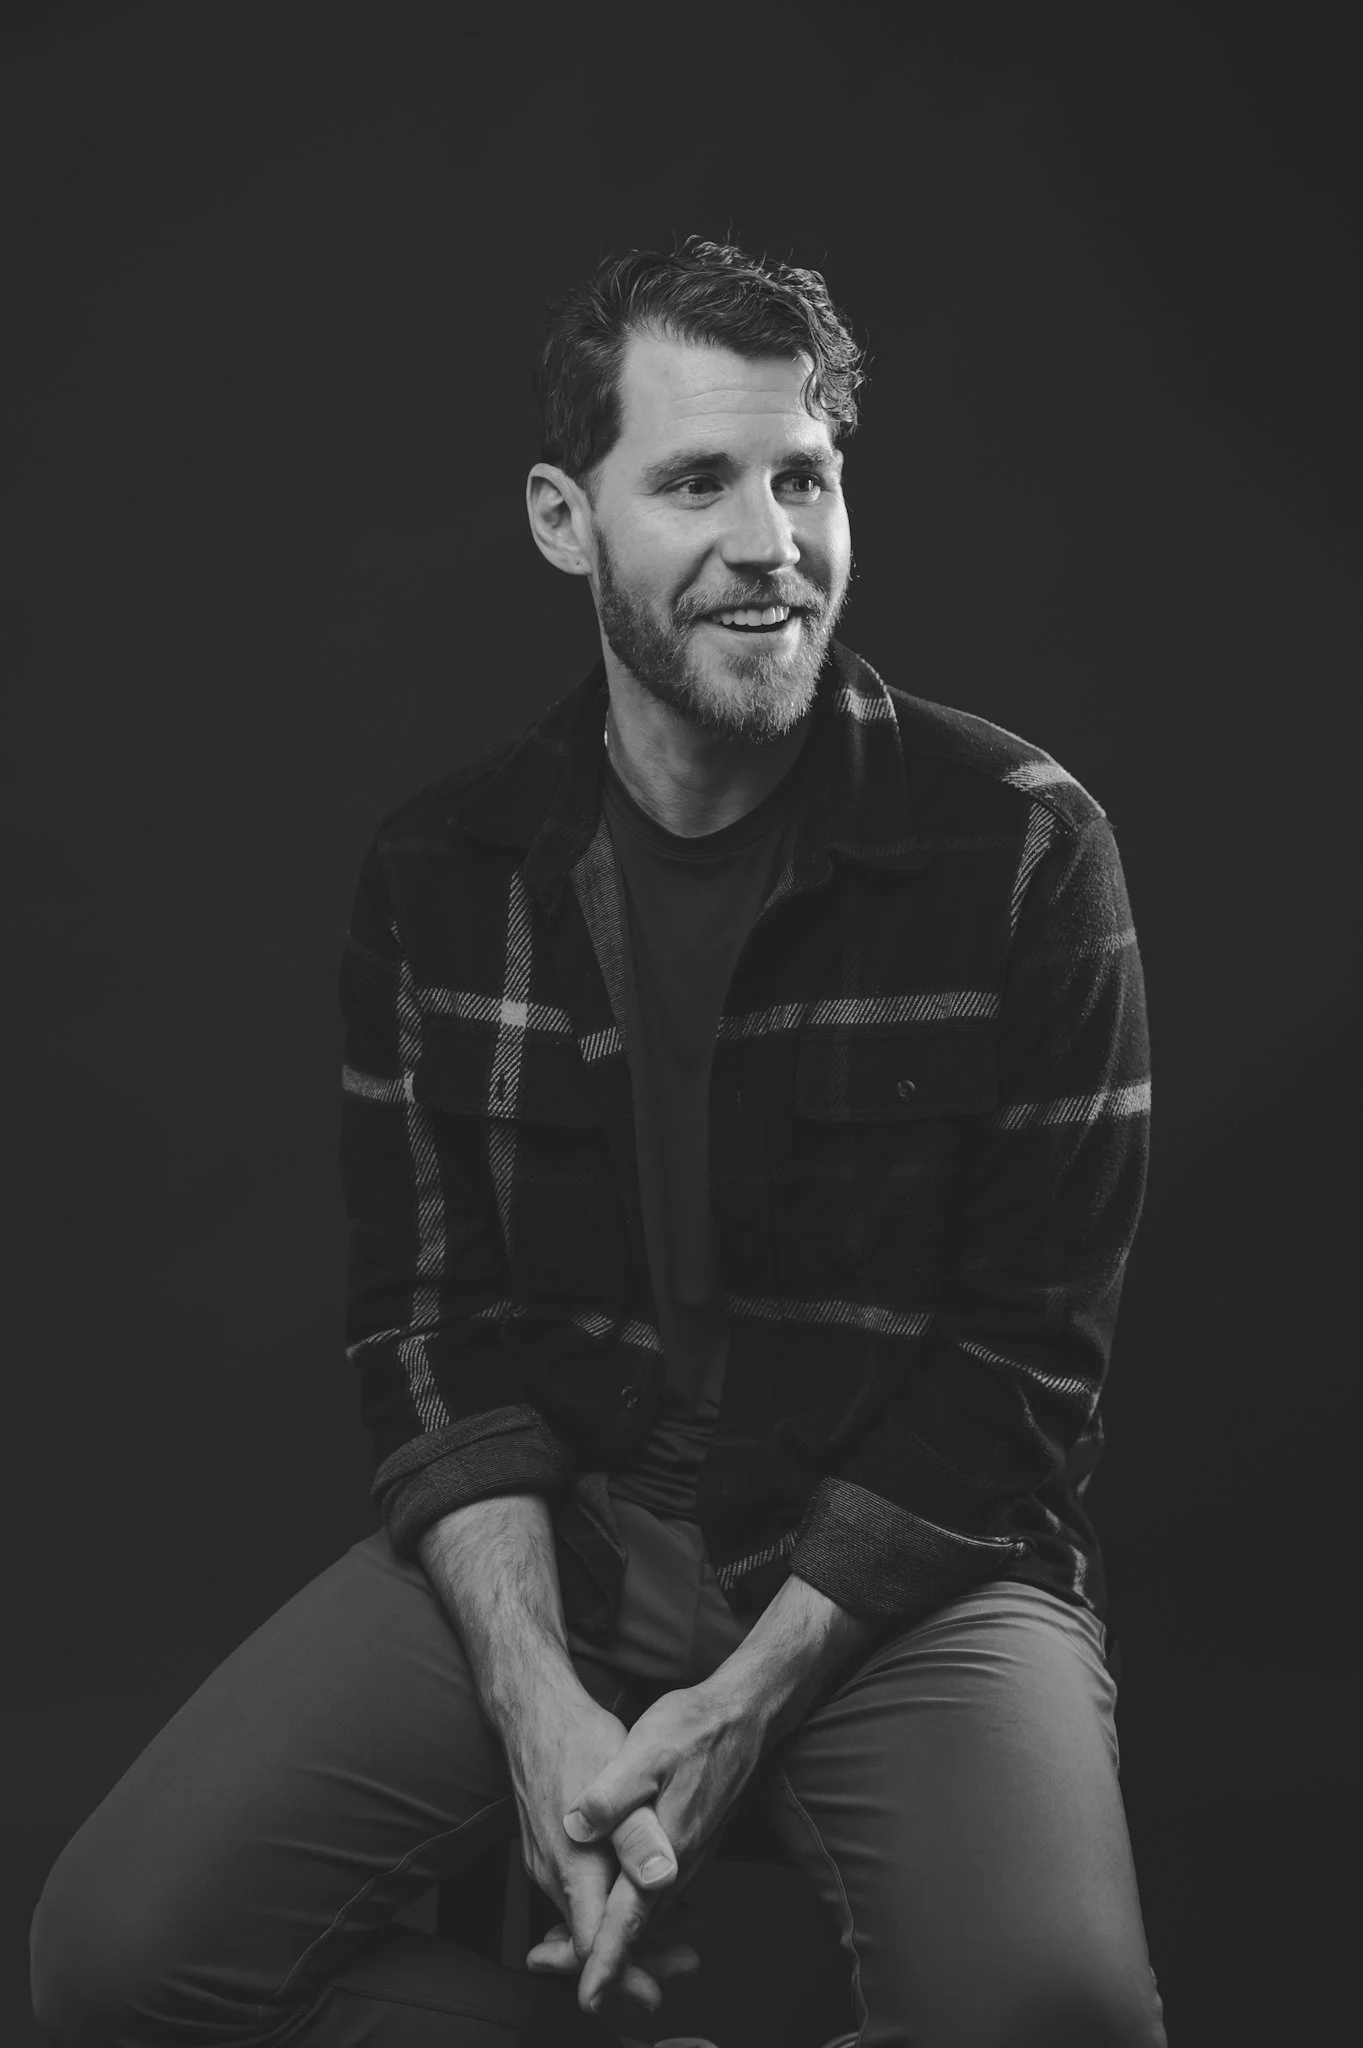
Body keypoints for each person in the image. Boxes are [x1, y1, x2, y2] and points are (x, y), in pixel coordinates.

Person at [30, 237, 1167, 2048]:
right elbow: (425, 1332)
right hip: (565, 1527)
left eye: (804, 476)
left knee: (1057, 2016)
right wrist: (535, 1685)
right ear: (566, 518)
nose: (771, 544)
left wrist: (745, 1698)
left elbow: (1029, 1369)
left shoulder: (1020, 847)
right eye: (697, 481)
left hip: (898, 1559)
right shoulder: (442, 873)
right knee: (110, 1966)